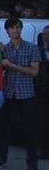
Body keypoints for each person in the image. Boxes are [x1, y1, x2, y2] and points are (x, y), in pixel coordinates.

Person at [0, 17, 41, 170]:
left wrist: (12, 66)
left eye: (18, 27)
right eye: (12, 28)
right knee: (3, 128)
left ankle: (32, 163)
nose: (16, 31)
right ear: (7, 31)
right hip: (8, 93)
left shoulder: (32, 48)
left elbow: (34, 71)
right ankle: (1, 158)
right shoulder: (4, 49)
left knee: (29, 130)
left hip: (26, 94)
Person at [37, 25, 49, 159]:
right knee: (41, 121)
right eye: (45, 34)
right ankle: (42, 149)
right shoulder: (37, 50)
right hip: (41, 91)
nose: (47, 37)